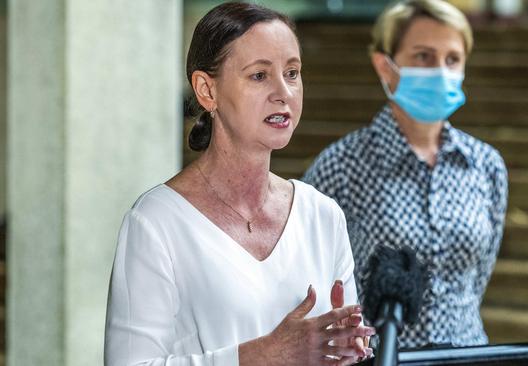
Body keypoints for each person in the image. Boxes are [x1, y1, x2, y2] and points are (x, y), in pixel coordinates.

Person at [104, 3, 374, 365]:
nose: (284, 93)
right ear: (206, 90)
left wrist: (347, 354)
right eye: (259, 76)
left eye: (292, 73)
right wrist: (265, 355)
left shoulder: (322, 215)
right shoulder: (155, 222)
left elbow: (340, 351)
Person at [303, 0, 508, 348]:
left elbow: (478, 282)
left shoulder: (486, 165)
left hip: (470, 352)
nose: (440, 70)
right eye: (423, 57)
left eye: (452, 59)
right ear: (385, 66)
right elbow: (308, 279)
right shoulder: (341, 166)